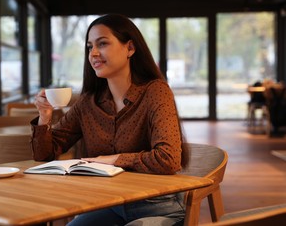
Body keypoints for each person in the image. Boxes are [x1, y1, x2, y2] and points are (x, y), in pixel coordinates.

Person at [32, 13, 189, 226]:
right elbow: (44, 154)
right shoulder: (88, 102)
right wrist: (45, 117)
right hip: (108, 205)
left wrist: (113, 159)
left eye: (102, 44)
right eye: (89, 47)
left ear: (130, 49)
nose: (94, 53)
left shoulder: (156, 92)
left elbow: (169, 159)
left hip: (156, 207)